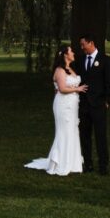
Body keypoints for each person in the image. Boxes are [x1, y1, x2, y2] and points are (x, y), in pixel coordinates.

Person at [24, 45, 88, 176]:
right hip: (64, 105)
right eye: (71, 51)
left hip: (72, 105)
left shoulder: (70, 69)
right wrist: (77, 89)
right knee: (64, 131)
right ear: (65, 55)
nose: (74, 53)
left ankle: (72, 162)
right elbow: (63, 89)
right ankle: (60, 161)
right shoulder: (60, 70)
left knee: (72, 130)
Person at [77, 34, 110, 175]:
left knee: (100, 136)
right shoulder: (81, 61)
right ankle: (88, 164)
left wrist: (107, 102)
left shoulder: (105, 61)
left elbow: (109, 83)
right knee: (85, 136)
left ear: (91, 43)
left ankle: (103, 165)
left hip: (99, 105)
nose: (82, 48)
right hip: (84, 105)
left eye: (83, 44)